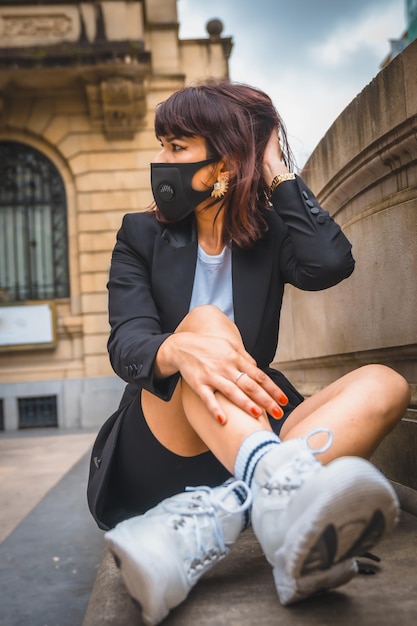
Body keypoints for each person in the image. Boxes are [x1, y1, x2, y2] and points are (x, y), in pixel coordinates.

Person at [87, 80, 410, 626]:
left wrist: (276, 170)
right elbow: (128, 343)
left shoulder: (267, 233)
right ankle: (269, 480)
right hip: (163, 434)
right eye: (161, 143)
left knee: (385, 383)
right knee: (206, 323)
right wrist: (185, 352)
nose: (160, 159)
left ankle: (228, 508)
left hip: (253, 421)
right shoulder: (140, 234)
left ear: (226, 163)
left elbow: (330, 263)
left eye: (176, 145)